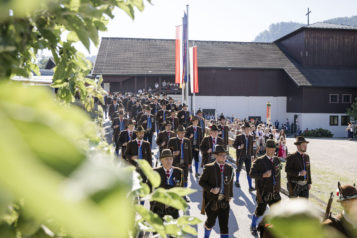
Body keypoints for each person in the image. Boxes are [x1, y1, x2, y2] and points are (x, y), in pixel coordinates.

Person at [199, 145, 234, 238]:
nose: (224, 157)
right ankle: (206, 235)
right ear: (216, 156)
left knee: (224, 226)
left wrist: (230, 195)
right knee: (210, 223)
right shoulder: (209, 167)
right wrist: (211, 189)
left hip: (224, 201)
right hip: (211, 201)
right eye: (221, 155)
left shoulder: (229, 168)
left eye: (225, 155)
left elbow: (230, 183)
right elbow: (201, 182)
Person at [249, 139, 282, 235]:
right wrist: (263, 175)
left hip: (275, 192)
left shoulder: (277, 159)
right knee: (260, 211)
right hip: (263, 192)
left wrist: (278, 188)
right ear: (266, 148)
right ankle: (253, 225)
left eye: (274, 149)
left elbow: (278, 174)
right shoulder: (260, 160)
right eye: (270, 148)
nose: (272, 150)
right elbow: (251, 174)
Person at [150, 149, 184, 219]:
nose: (169, 161)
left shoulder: (179, 172)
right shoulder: (154, 172)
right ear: (161, 160)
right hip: (158, 207)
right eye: (166, 159)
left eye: (170, 159)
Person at [233, 122, 255, 191]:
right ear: (244, 129)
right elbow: (234, 145)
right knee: (239, 168)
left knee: (249, 171)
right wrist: (239, 147)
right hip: (241, 156)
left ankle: (250, 186)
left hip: (248, 156)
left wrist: (252, 155)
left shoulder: (251, 137)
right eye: (246, 129)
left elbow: (251, 147)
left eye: (249, 129)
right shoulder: (239, 136)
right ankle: (237, 181)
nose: (248, 130)